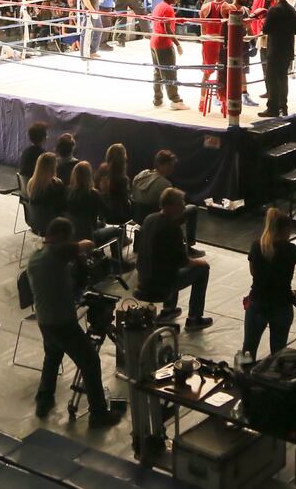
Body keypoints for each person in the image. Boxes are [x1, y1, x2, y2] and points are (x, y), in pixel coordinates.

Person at [25, 218, 124, 425]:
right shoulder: (56, 253)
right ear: (61, 238)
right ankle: (98, 413)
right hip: (62, 320)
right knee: (90, 361)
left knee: (52, 356)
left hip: (45, 319)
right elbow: (87, 244)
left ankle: (44, 399)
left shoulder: (35, 257)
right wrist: (82, 252)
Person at [243, 208, 296, 360]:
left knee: (248, 350)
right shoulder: (292, 250)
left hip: (257, 303)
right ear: (285, 230)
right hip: (281, 304)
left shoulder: (257, 246)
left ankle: (244, 379)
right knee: (278, 352)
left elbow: (253, 273)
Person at [136, 189, 212, 330]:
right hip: (159, 284)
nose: (184, 207)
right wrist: (200, 262)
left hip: (142, 278)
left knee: (168, 265)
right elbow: (183, 261)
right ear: (170, 206)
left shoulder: (149, 219)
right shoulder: (172, 228)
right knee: (202, 269)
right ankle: (194, 318)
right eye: (181, 204)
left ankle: (169, 309)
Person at [132, 150, 199, 249]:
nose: (172, 168)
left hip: (138, 217)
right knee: (192, 208)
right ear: (161, 164)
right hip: (159, 221)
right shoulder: (165, 184)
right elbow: (174, 208)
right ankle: (188, 247)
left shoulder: (140, 175)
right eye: (170, 165)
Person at [66, 161, 126, 264]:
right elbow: (109, 214)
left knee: (101, 224)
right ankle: (119, 263)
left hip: (72, 234)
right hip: (89, 237)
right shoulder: (93, 194)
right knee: (117, 231)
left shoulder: (68, 190)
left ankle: (99, 256)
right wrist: (106, 193)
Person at [259, 0, 296, 118]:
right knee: (283, 79)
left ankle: (272, 108)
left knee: (271, 79)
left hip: (275, 49)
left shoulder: (273, 10)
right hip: (287, 49)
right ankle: (283, 107)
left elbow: (265, 29)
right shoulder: (291, 10)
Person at [149, 0, 188, 110]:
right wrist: (177, 44)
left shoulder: (158, 6)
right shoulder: (168, 9)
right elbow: (167, 29)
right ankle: (175, 100)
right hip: (164, 44)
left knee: (158, 72)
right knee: (170, 72)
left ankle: (158, 100)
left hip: (154, 41)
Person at [24, 151, 67, 235]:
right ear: (53, 167)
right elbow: (62, 207)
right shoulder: (56, 185)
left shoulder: (31, 183)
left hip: (34, 222)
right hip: (51, 225)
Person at [96, 143, 132, 226]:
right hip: (117, 217)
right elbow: (124, 203)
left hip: (101, 212)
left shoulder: (102, 171)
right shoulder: (122, 179)